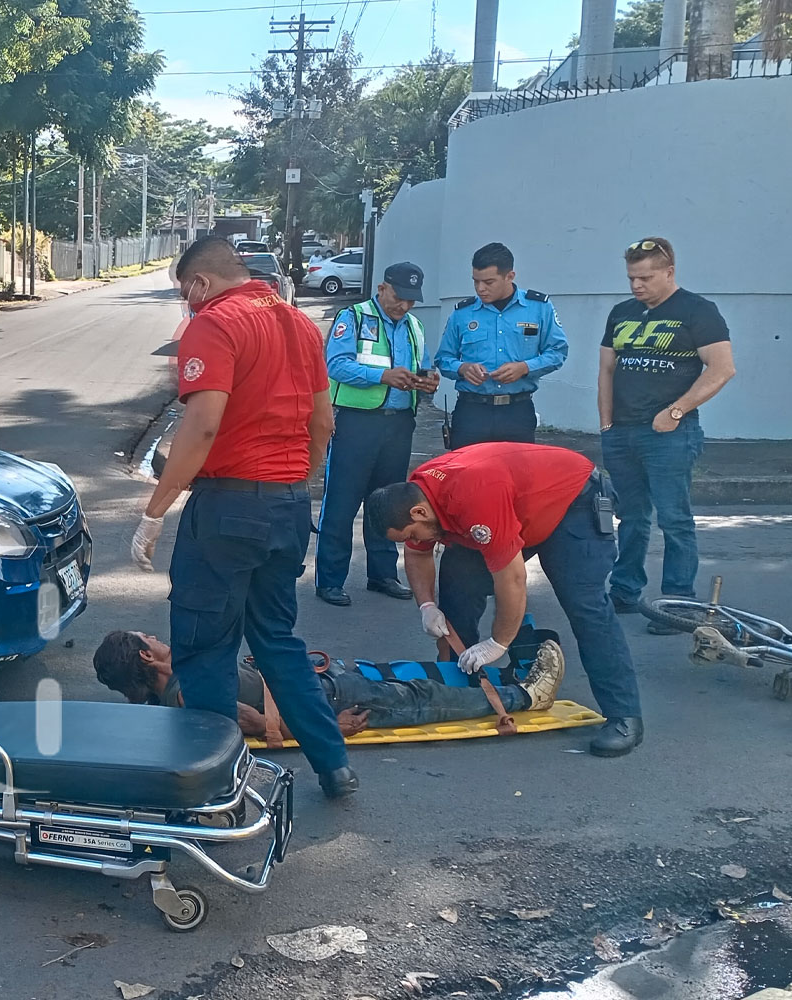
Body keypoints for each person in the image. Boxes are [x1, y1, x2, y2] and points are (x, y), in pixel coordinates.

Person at [130, 236, 355, 799]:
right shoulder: (301, 324)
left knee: (204, 649)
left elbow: (202, 426)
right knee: (278, 640)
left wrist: (156, 510)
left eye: (187, 294)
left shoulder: (214, 323)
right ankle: (334, 766)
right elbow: (323, 421)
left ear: (201, 283)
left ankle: (210, 788)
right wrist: (300, 482)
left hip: (228, 507)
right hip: (286, 504)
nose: (188, 306)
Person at [367, 442, 645, 757]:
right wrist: (427, 606)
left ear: (419, 512)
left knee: (585, 606)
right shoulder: (419, 494)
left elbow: (511, 579)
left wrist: (498, 643)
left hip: (573, 503)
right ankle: (456, 686)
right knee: (457, 585)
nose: (414, 542)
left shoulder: (473, 497)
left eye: (412, 534)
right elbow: (417, 556)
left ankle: (624, 717)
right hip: (515, 508)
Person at [598, 237, 735, 632]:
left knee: (674, 519)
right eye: (631, 278)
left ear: (669, 271)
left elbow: (722, 368)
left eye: (645, 277)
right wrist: (606, 422)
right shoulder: (621, 313)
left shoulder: (698, 311)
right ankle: (624, 591)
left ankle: (677, 603)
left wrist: (676, 411)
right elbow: (607, 369)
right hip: (621, 434)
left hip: (670, 434)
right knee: (631, 517)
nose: (636, 285)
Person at [92, 630, 566, 740]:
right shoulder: (186, 692)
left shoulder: (175, 687)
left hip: (318, 682)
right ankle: (524, 696)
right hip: (330, 700)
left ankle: (507, 678)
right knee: (425, 701)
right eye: (148, 637)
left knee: (408, 676)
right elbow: (260, 726)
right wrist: (329, 729)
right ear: (146, 656)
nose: (158, 636)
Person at [313, 262, 439, 607]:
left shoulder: (414, 326)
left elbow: (421, 366)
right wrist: (382, 376)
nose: (404, 306)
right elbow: (334, 365)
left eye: (411, 301)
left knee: (388, 503)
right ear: (382, 288)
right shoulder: (353, 318)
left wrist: (427, 381)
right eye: (399, 298)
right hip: (357, 424)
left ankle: (382, 573)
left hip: (399, 424)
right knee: (341, 502)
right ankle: (330, 580)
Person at [436, 243, 569, 450]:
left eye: (489, 282)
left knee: (516, 477)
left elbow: (557, 352)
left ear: (510, 276)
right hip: (471, 412)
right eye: (476, 281)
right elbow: (443, 359)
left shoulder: (539, 308)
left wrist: (525, 368)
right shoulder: (463, 313)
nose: (481, 288)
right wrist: (462, 369)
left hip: (517, 411)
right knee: (467, 478)